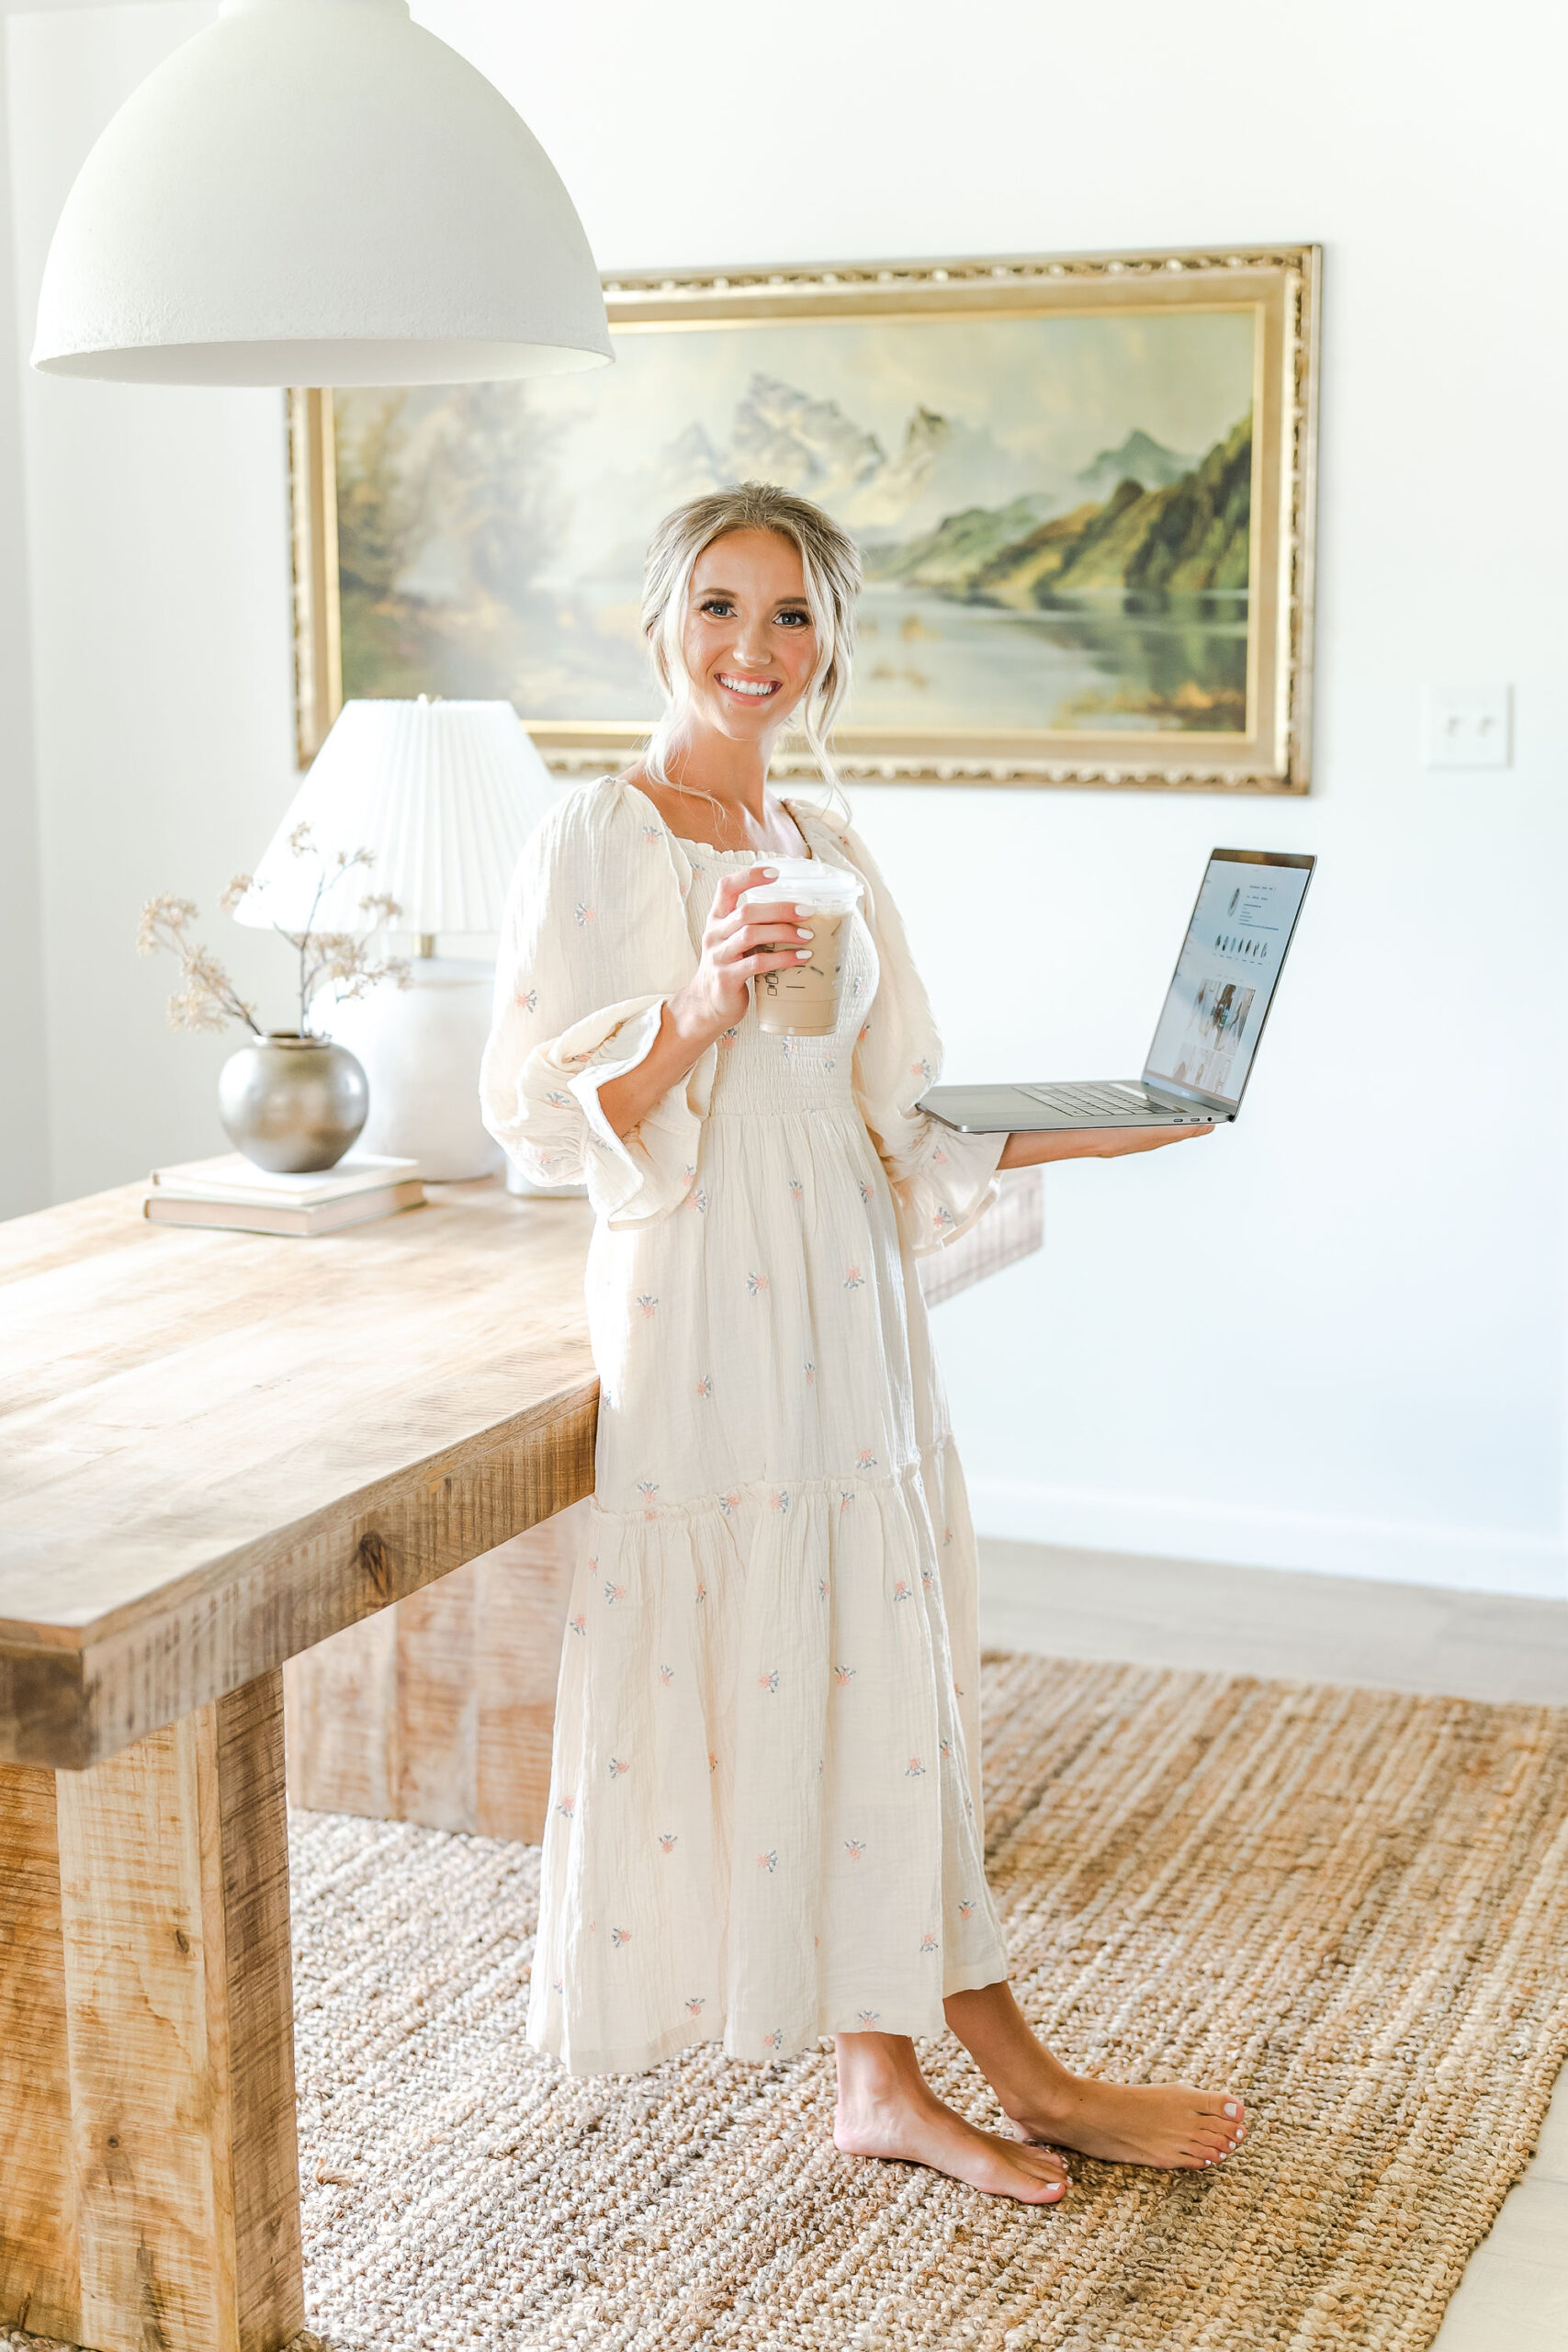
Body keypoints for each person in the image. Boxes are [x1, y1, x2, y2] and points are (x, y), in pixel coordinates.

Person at [480, 482, 1245, 2205]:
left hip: (844, 1293)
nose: (755, 646)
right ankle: (944, 2074)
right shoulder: (598, 836)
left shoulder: (824, 839)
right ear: (660, 622)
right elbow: (536, 1115)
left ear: (831, 644)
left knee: (874, 1663)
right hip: (702, 1297)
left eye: (794, 613)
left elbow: (896, 1114)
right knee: (787, 1647)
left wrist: (1114, 1125)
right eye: (721, 606)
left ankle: (908, 2076)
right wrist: (698, 1003)